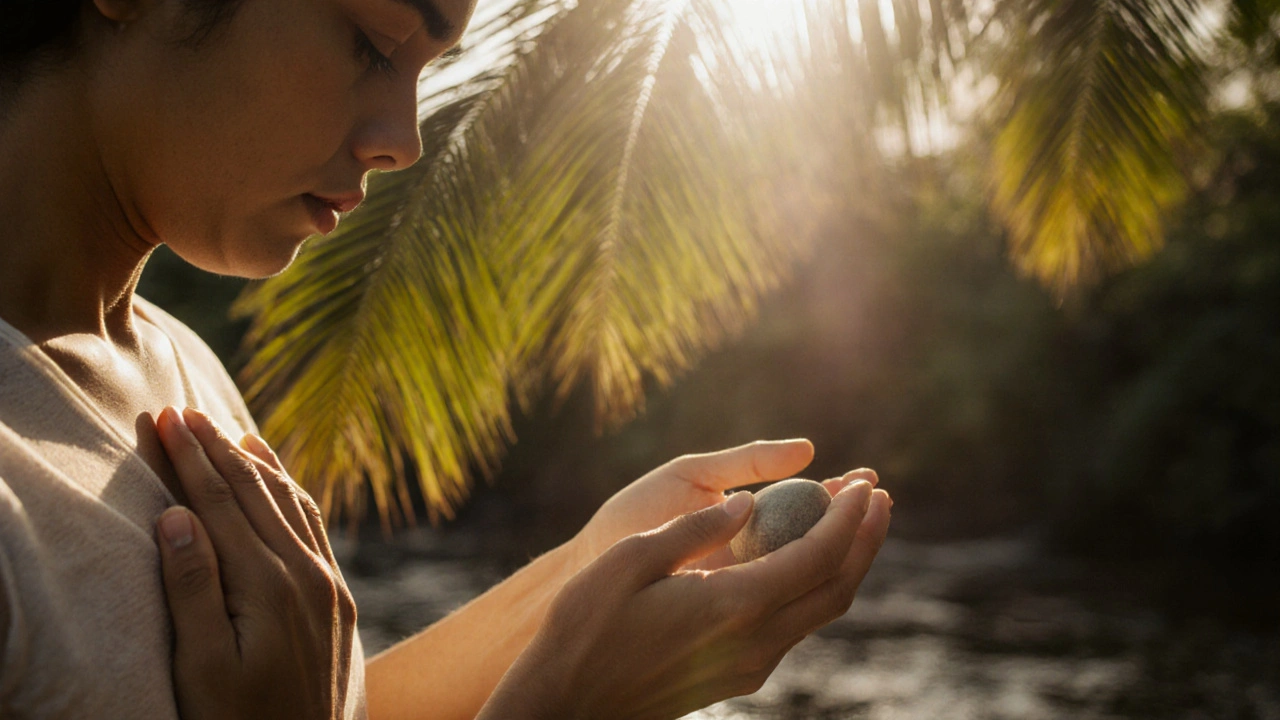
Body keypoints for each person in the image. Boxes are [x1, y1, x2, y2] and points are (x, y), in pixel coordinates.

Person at [0, 0, 894, 717]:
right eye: (371, 45)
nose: (404, 140)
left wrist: (582, 579)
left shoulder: (177, 365)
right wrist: (570, 700)